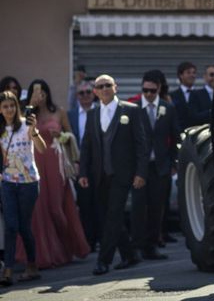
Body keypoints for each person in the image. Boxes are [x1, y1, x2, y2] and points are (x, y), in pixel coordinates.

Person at [78, 74, 148, 275]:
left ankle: (103, 261)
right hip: (100, 174)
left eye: (108, 85)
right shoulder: (93, 114)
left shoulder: (131, 111)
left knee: (113, 215)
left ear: (115, 87)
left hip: (123, 174)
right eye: (101, 86)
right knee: (109, 217)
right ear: (95, 92)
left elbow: (141, 145)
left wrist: (140, 172)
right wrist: (83, 172)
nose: (105, 88)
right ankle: (130, 254)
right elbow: (87, 146)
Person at [17, 79, 89, 269]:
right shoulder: (27, 113)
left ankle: (68, 246)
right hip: (34, 163)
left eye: (42, 92)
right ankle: (45, 254)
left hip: (56, 163)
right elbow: (20, 133)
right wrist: (31, 106)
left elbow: (71, 136)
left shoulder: (59, 111)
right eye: (35, 92)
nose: (40, 96)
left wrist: (62, 137)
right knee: (38, 210)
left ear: (48, 93)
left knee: (56, 209)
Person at [131, 71, 180, 260]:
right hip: (140, 168)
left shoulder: (168, 108)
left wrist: (173, 162)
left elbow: (176, 136)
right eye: (145, 90)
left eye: (152, 91)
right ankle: (136, 246)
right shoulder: (133, 108)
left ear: (158, 89)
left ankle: (151, 247)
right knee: (137, 207)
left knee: (156, 208)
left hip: (160, 167)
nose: (148, 94)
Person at [0, 90, 46, 286]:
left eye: (12, 105)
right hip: (8, 182)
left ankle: (32, 265)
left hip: (29, 182)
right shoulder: (1, 130)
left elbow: (42, 148)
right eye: (5, 107)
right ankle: (8, 270)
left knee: (24, 226)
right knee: (11, 226)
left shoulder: (26, 125)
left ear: (17, 106)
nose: (9, 109)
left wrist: (34, 130)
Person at [68, 80, 100, 251]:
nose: (86, 95)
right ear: (77, 96)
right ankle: (89, 241)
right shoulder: (71, 115)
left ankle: (104, 239)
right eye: (81, 93)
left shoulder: (101, 111)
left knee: (102, 203)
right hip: (81, 166)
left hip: (101, 165)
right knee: (85, 205)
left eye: (88, 92)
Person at [169, 62, 197, 131]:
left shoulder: (201, 94)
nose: (192, 75)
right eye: (188, 73)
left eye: (194, 73)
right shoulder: (172, 96)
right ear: (181, 75)